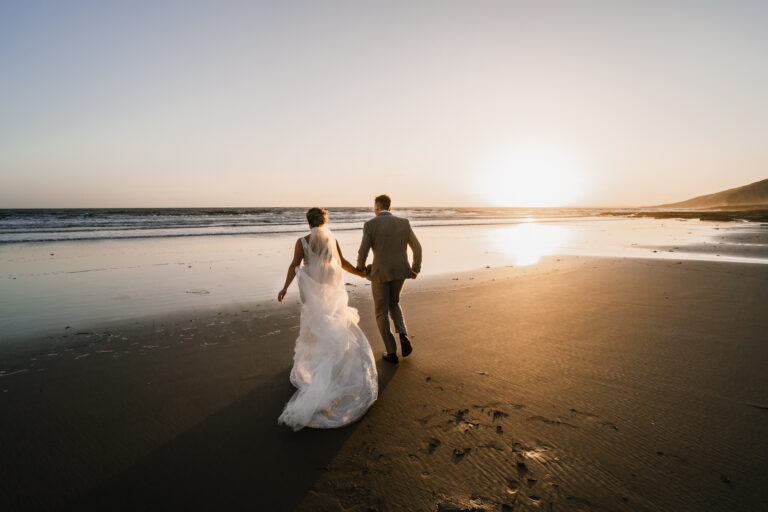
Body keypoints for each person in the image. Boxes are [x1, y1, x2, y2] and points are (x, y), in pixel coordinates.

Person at [276, 207, 377, 431]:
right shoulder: (332, 239)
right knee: (331, 323)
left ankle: (318, 366)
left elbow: (294, 265)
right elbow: (342, 263)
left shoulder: (302, 241)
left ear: (308, 221)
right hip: (331, 288)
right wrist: (361, 273)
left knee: (316, 325)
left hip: (312, 289)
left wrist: (284, 288)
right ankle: (330, 362)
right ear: (324, 220)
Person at [357, 194, 422, 364]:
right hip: (400, 271)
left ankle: (391, 352)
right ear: (389, 208)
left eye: (374, 207)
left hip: (380, 273)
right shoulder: (404, 223)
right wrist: (415, 269)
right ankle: (403, 334)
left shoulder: (370, 225)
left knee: (381, 311)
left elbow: (363, 251)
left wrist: (361, 268)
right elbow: (417, 248)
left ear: (377, 207)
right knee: (394, 303)